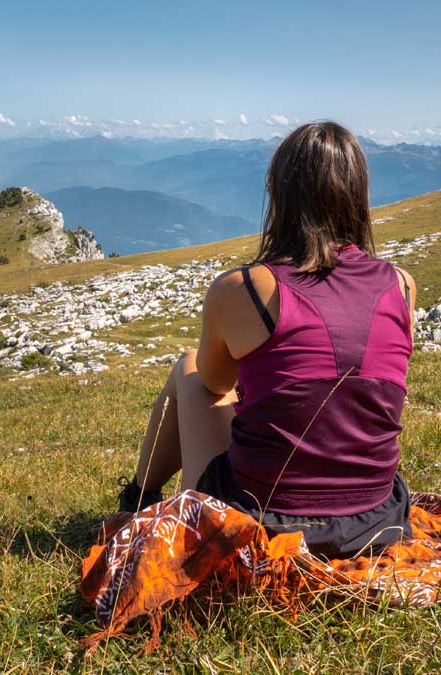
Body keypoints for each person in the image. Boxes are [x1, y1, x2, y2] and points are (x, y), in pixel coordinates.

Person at [115, 121, 416, 559]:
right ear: (357, 196)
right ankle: (139, 500)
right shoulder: (402, 285)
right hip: (376, 522)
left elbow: (215, 385)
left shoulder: (244, 288)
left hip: (263, 523)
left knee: (188, 366)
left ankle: (137, 502)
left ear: (278, 195)